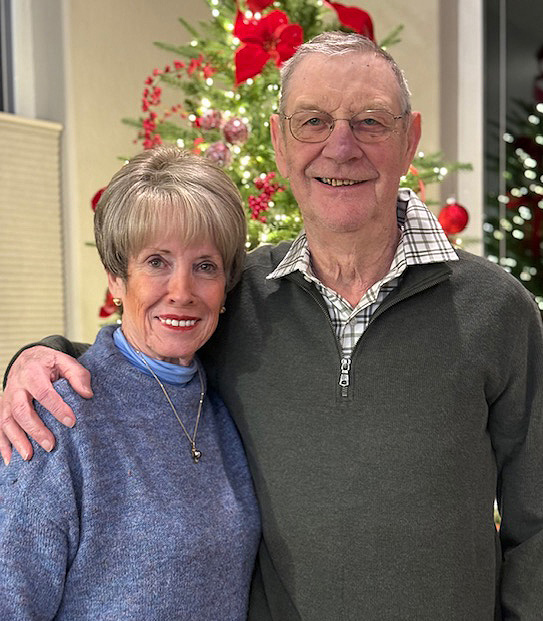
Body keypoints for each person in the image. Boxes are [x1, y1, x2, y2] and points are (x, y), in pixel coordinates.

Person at [2, 31, 543, 620]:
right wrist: (39, 356)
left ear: (409, 139)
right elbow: (150, 348)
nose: (341, 146)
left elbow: (536, 524)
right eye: (312, 121)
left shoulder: (497, 310)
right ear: (280, 144)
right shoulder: (242, 297)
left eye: (370, 121)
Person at [0, 146, 260, 619]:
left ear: (226, 287)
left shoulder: (225, 409)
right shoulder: (56, 419)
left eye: (205, 266)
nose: (181, 291)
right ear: (116, 280)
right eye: (157, 261)